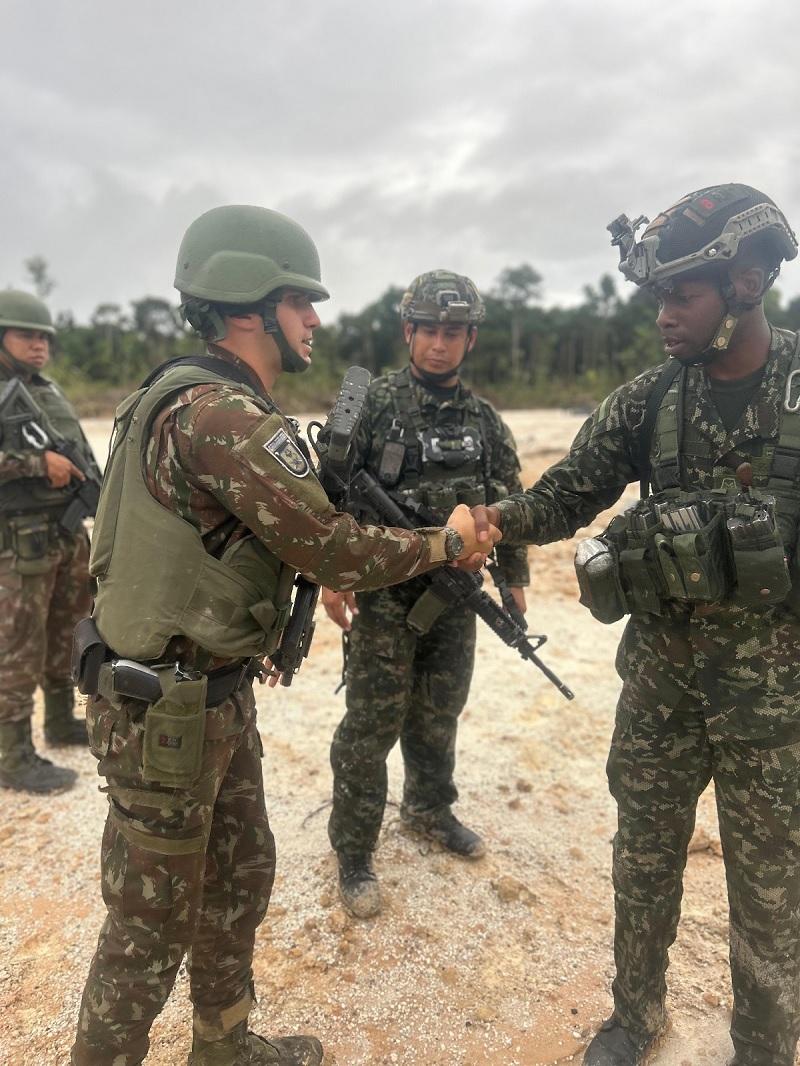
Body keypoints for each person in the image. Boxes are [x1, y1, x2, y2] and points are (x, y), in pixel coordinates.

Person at [70, 208, 499, 1066]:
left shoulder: (186, 395)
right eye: (301, 303)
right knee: (150, 928)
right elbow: (331, 547)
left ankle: (224, 1047)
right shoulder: (220, 416)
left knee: (238, 879)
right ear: (250, 305)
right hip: (167, 712)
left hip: (207, 699)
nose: (314, 320)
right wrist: (446, 543)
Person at [471, 184, 800, 1066]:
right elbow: (563, 496)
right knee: (644, 860)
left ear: (745, 283)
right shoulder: (648, 402)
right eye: (656, 298)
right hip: (663, 685)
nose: (663, 316)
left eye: (680, 296)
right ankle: (634, 1017)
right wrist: (493, 521)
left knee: (771, 890)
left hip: (777, 704)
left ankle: (765, 1045)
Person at [323, 270, 529, 919]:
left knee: (440, 709)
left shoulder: (484, 421)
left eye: (454, 332)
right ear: (408, 331)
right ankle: (355, 850)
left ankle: (428, 809)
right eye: (430, 330)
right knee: (371, 723)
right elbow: (329, 493)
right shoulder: (375, 404)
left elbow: (508, 503)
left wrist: (515, 581)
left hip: (457, 597)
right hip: (384, 595)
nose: (440, 344)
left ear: (471, 338)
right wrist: (331, 575)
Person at [0, 290, 97, 794]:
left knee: (66, 631)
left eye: (44, 337)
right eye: (26, 335)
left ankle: (60, 721)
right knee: (19, 646)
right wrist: (35, 464)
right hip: (18, 544)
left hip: (64, 533)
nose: (39, 345)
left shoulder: (49, 391)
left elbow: (78, 450)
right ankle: (12, 757)